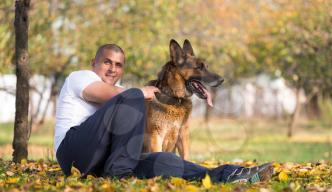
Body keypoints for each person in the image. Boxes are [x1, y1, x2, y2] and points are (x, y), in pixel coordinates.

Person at [54, 43, 274, 183]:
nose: (113, 69)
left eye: (118, 65)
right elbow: (110, 94)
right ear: (94, 63)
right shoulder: (80, 77)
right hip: (73, 153)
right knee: (132, 97)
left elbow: (125, 98)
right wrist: (142, 92)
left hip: (106, 161)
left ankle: (232, 174)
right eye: (107, 62)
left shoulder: (123, 94)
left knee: (166, 160)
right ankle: (120, 172)